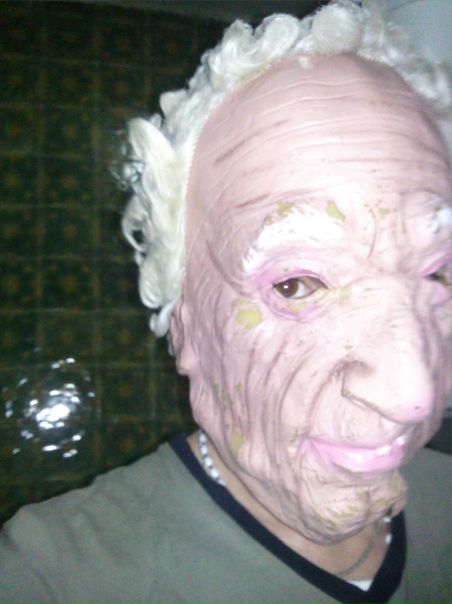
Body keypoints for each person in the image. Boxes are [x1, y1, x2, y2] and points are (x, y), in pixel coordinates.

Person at [1, 1, 451, 602]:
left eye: (438, 273)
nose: (414, 394)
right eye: (297, 284)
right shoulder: (57, 575)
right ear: (185, 323)